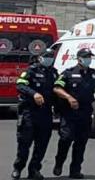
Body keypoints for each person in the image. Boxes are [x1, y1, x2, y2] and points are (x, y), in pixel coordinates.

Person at [52, 49, 95, 179]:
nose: (88, 59)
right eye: (86, 57)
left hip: (85, 113)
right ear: (79, 58)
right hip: (70, 113)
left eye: (90, 57)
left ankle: (75, 170)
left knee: (81, 143)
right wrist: (69, 97)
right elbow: (57, 88)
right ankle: (59, 163)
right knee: (66, 139)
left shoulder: (93, 74)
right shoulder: (69, 73)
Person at [11, 50, 58, 180]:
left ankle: (34, 170)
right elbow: (20, 84)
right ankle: (18, 168)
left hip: (46, 114)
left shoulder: (54, 73)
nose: (49, 59)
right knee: (24, 144)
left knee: (41, 145)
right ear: (40, 58)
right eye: (46, 56)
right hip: (29, 113)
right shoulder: (30, 70)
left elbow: (58, 90)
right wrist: (34, 94)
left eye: (51, 57)